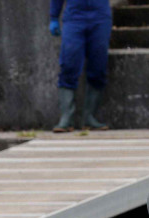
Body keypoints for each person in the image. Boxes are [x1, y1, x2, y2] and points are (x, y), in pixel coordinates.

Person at [49, 0, 112, 132]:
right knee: (69, 63)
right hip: (75, 17)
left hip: (100, 16)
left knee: (98, 66)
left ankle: (89, 117)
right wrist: (54, 16)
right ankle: (66, 118)